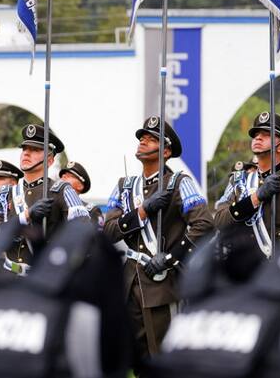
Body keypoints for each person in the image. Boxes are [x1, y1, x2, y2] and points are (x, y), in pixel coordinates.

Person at [102, 116, 213, 374]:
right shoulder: (125, 186)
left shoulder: (179, 183)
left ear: (165, 151)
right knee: (135, 358)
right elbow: (108, 230)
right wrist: (142, 212)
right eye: (142, 137)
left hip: (163, 283)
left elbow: (204, 225)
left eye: (151, 139)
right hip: (129, 283)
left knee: (162, 356)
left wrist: (171, 258)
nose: (143, 141)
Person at [0, 124, 90, 277]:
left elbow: (83, 233)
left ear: (49, 160)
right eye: (25, 149)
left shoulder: (62, 190)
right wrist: (24, 217)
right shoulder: (6, 193)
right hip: (8, 277)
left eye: (35, 150)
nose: (26, 154)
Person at [214, 112, 280, 256]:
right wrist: (255, 198)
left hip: (277, 270)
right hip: (241, 270)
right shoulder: (238, 180)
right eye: (256, 134)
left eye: (266, 134)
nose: (258, 138)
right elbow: (220, 220)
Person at [58, 160, 103, 227]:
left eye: (68, 176)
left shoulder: (91, 211)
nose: (63, 178)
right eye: (62, 176)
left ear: (80, 186)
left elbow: (96, 236)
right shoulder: (52, 204)